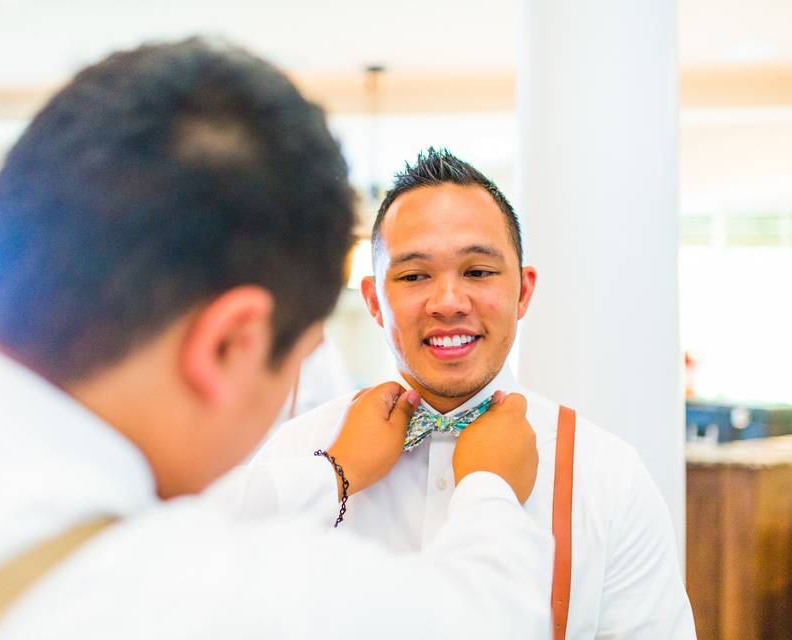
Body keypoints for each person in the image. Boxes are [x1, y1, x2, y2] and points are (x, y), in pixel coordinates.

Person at [0, 41, 550, 639]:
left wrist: (335, 474)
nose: (446, 300)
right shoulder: (179, 592)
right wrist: (491, 491)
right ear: (229, 346)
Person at [256, 148, 698, 639]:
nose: (448, 302)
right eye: (414, 276)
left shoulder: (610, 478)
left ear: (523, 292)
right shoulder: (296, 457)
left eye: (479, 272)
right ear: (374, 301)